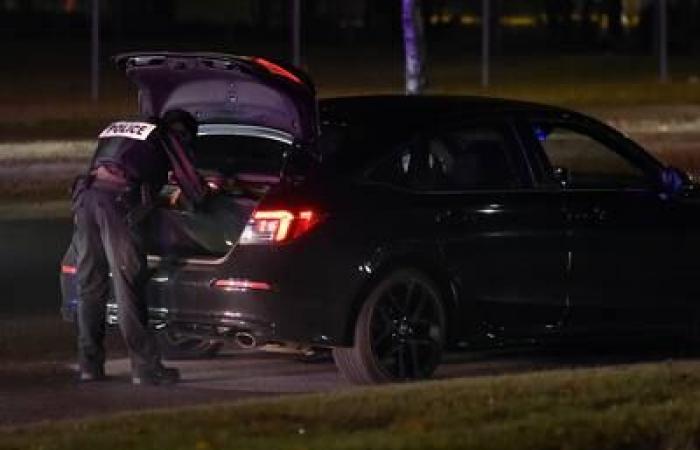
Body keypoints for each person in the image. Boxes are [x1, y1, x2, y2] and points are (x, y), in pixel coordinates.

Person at [72, 109, 206, 385]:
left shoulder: (119, 128)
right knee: (128, 285)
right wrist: (202, 197)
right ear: (181, 132)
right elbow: (194, 189)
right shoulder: (166, 136)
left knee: (90, 285)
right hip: (116, 204)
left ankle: (89, 365)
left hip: (86, 199)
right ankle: (145, 368)